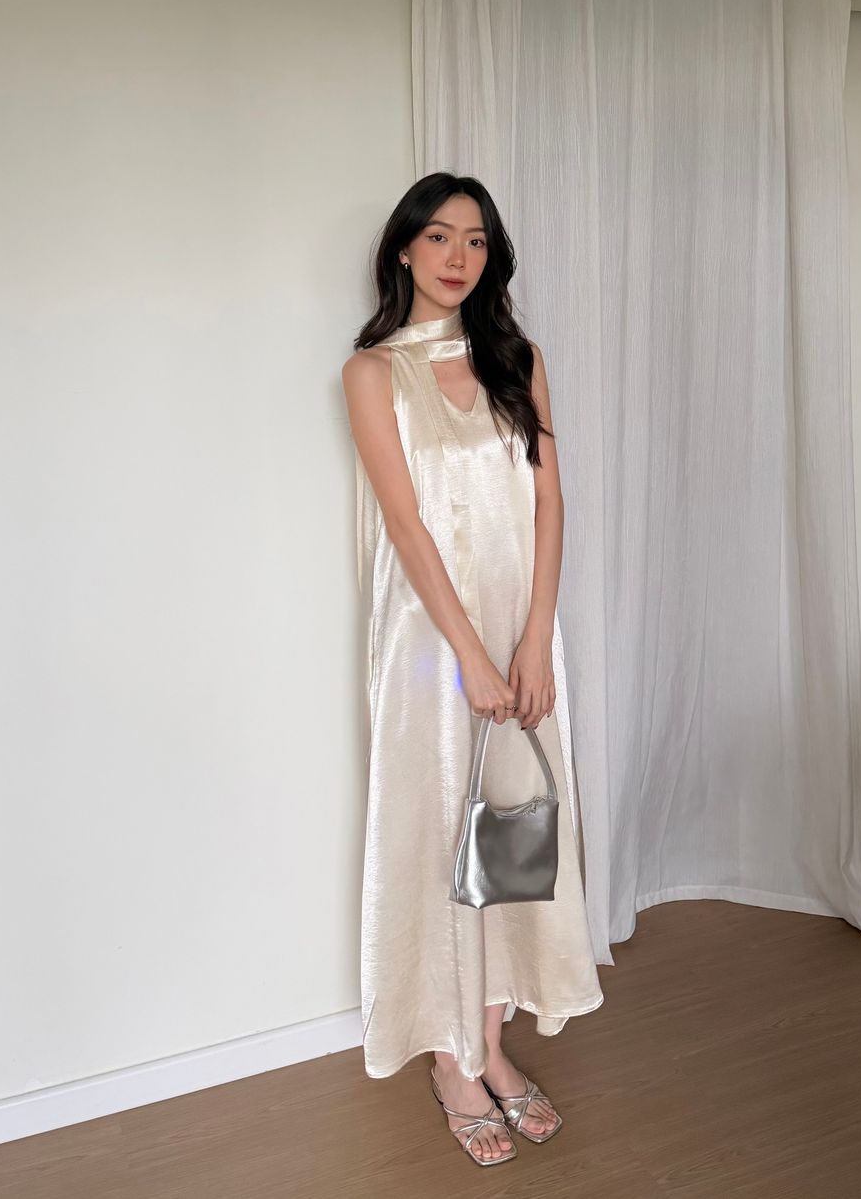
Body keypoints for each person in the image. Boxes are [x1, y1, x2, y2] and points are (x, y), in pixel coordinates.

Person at [341, 172, 602, 1166]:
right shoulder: (373, 373)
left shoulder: (516, 359)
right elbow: (406, 527)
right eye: (440, 236)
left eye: (477, 241)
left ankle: (491, 1042)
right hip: (432, 643)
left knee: (514, 835)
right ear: (404, 248)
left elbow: (549, 500)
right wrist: (470, 657)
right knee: (441, 833)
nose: (458, 256)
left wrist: (533, 639)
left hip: (519, 632)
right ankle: (452, 1058)